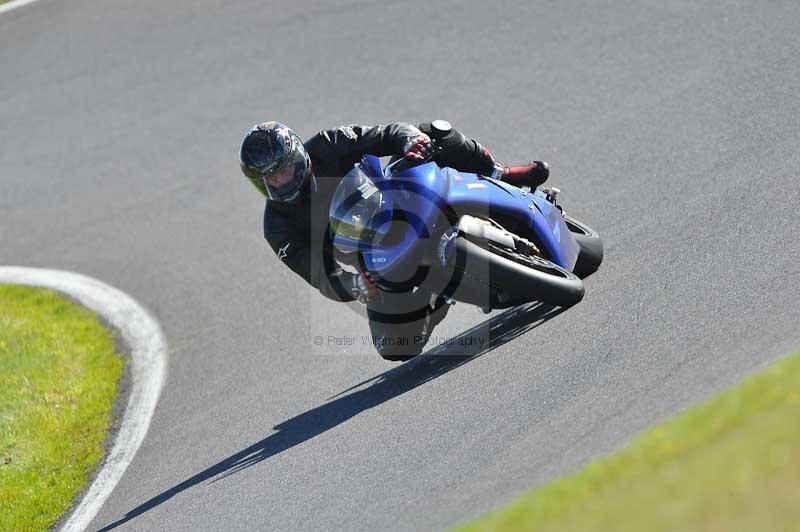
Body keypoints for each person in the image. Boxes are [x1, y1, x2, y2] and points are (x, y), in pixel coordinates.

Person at [239, 121, 549, 361]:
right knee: (394, 347)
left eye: (284, 169)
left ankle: (499, 174)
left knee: (433, 132)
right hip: (372, 260)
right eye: (270, 179)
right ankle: (438, 295)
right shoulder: (277, 227)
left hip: (397, 199)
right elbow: (318, 274)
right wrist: (355, 285)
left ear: (298, 154)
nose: (281, 181)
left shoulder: (327, 144)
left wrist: (410, 141)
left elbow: (386, 133)